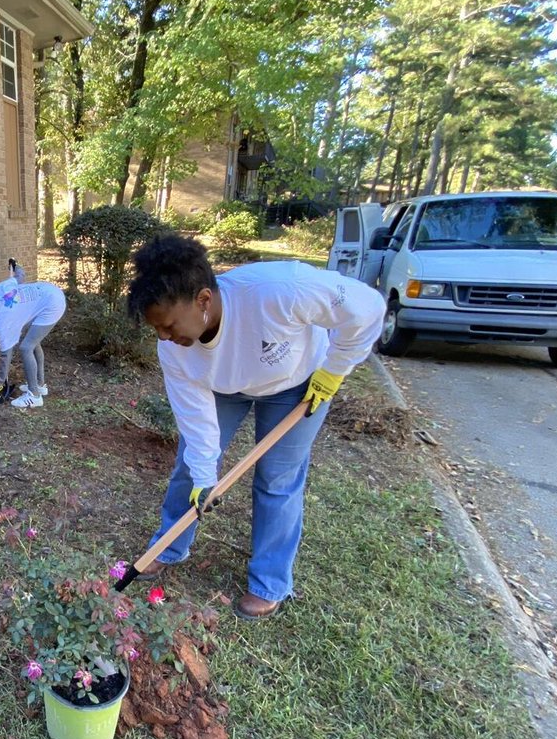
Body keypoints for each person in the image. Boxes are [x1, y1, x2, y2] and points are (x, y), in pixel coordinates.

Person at [126, 235, 384, 619]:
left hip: (296, 384)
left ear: (203, 301)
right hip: (224, 388)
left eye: (167, 325)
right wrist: (203, 474)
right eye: (156, 329)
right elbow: (195, 418)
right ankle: (168, 547)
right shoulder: (175, 349)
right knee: (188, 469)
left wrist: (334, 370)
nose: (163, 336)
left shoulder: (279, 291)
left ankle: (270, 582)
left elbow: (367, 308)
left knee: (277, 480)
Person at [0, 259, 67, 408]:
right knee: (32, 341)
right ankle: (40, 385)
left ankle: (34, 395)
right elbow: (20, 277)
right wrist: (15, 266)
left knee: (26, 347)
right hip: (47, 291)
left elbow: (5, 357)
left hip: (52, 305)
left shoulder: (1, 321)